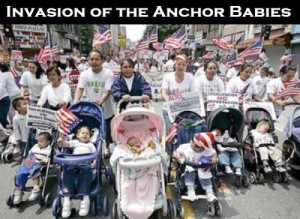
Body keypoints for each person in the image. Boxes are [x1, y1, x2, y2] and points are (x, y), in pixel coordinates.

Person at [74, 50, 115, 156]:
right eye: (92, 59)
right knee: (93, 130)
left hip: (106, 107)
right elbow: (80, 88)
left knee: (106, 131)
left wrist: (101, 101)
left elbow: (107, 90)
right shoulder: (84, 74)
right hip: (90, 108)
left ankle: (106, 147)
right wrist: (76, 101)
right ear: (88, 61)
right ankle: (91, 148)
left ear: (102, 60)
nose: (94, 61)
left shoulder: (108, 73)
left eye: (97, 59)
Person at [58, 126, 96, 218]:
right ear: (78, 135)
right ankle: (67, 199)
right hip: (73, 162)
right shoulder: (75, 142)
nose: (85, 135)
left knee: (86, 171)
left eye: (87, 134)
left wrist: (94, 162)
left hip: (85, 163)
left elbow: (95, 155)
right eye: (83, 133)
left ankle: (85, 198)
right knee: (67, 172)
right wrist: (61, 140)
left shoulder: (90, 145)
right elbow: (65, 144)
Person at [175, 131, 219, 202]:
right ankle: (190, 190)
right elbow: (178, 151)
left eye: (192, 141)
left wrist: (214, 159)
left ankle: (209, 192)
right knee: (189, 172)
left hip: (202, 167)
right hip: (190, 166)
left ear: (198, 147)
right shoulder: (186, 147)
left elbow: (214, 153)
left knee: (206, 174)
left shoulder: (207, 150)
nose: (190, 142)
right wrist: (178, 156)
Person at [12, 132, 52, 205]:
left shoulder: (49, 149)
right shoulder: (35, 146)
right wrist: (26, 160)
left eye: (41, 141)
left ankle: (36, 189)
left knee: (34, 171)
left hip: (39, 162)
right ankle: (18, 191)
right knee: (20, 173)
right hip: (31, 160)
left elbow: (49, 159)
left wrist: (45, 161)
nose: (39, 143)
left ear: (48, 142)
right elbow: (30, 154)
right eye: (38, 141)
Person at [161, 54, 196, 133]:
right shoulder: (167, 77)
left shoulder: (190, 77)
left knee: (184, 133)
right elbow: (163, 92)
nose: (181, 67)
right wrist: (169, 100)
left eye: (183, 65)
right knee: (170, 134)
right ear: (174, 65)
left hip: (184, 110)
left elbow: (194, 93)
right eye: (179, 64)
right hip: (169, 109)